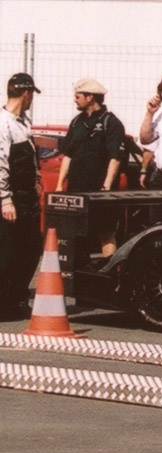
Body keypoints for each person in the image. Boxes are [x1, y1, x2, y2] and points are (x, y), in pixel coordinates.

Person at [56, 78, 125, 257]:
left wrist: (107, 185)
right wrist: (59, 185)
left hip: (101, 191)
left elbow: (115, 157)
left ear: (90, 97)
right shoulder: (76, 122)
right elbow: (68, 155)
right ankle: (78, 278)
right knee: (76, 235)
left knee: (105, 234)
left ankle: (109, 278)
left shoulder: (112, 123)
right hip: (76, 191)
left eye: (78, 96)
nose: (74, 100)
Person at [0, 73, 43, 319]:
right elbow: (1, 163)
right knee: (8, 252)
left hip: (26, 198)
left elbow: (30, 157)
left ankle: (15, 299)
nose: (30, 101)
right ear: (25, 94)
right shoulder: (3, 123)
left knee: (30, 248)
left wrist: (36, 179)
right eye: (30, 96)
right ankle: (5, 303)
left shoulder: (21, 122)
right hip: (12, 198)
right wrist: (5, 199)